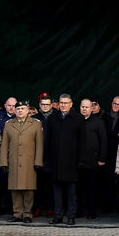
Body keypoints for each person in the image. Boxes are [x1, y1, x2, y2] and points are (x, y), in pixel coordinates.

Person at [1, 100, 43, 222]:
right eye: (18, 109)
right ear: (14, 111)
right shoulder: (9, 124)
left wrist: (38, 162)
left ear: (28, 110)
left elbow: (39, 145)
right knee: (15, 189)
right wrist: (4, 162)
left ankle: (27, 214)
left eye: (23, 108)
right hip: (14, 161)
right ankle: (17, 213)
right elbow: (4, 145)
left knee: (28, 189)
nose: (20, 111)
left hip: (29, 162)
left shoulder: (35, 124)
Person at [44, 93, 81, 225]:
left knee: (71, 193)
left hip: (71, 162)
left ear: (71, 104)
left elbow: (82, 141)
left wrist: (80, 160)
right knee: (57, 192)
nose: (63, 105)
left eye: (66, 103)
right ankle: (58, 216)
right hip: (56, 162)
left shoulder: (78, 118)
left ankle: (71, 216)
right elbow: (47, 140)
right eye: (61, 103)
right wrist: (47, 160)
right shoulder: (52, 118)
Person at [75, 98, 107, 219]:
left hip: (93, 161)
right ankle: (78, 211)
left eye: (87, 107)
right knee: (78, 188)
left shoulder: (98, 122)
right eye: (82, 107)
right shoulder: (76, 120)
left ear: (91, 109)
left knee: (92, 188)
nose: (84, 109)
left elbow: (104, 141)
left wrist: (102, 158)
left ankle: (91, 211)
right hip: (77, 161)